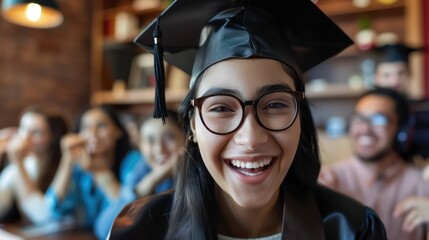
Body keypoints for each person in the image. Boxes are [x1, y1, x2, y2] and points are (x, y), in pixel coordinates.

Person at [109, 0, 387, 239]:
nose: (251, 138)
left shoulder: (352, 230)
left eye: (276, 104)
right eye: (220, 108)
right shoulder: (141, 230)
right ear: (192, 125)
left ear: (300, 117)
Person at [319, 87, 429, 240]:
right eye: (358, 119)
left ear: (401, 129)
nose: (365, 129)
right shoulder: (326, 181)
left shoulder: (422, 183)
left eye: (379, 120)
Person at [45, 105, 140, 235]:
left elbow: (128, 215)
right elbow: (53, 209)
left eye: (101, 126)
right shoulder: (79, 168)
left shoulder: (133, 161)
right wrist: (67, 160)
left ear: (118, 131)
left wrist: (99, 172)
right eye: (86, 128)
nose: (93, 133)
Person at [95, 110, 183, 239]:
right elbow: (103, 229)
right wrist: (149, 183)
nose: (159, 148)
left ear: (186, 137)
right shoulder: (141, 168)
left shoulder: (198, 175)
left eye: (169, 137)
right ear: (140, 145)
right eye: (150, 140)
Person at [0, 105, 68, 224]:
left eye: (36, 132)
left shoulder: (66, 166)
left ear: (54, 136)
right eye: (23, 128)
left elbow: (44, 217)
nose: (26, 137)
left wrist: (18, 164)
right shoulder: (19, 168)